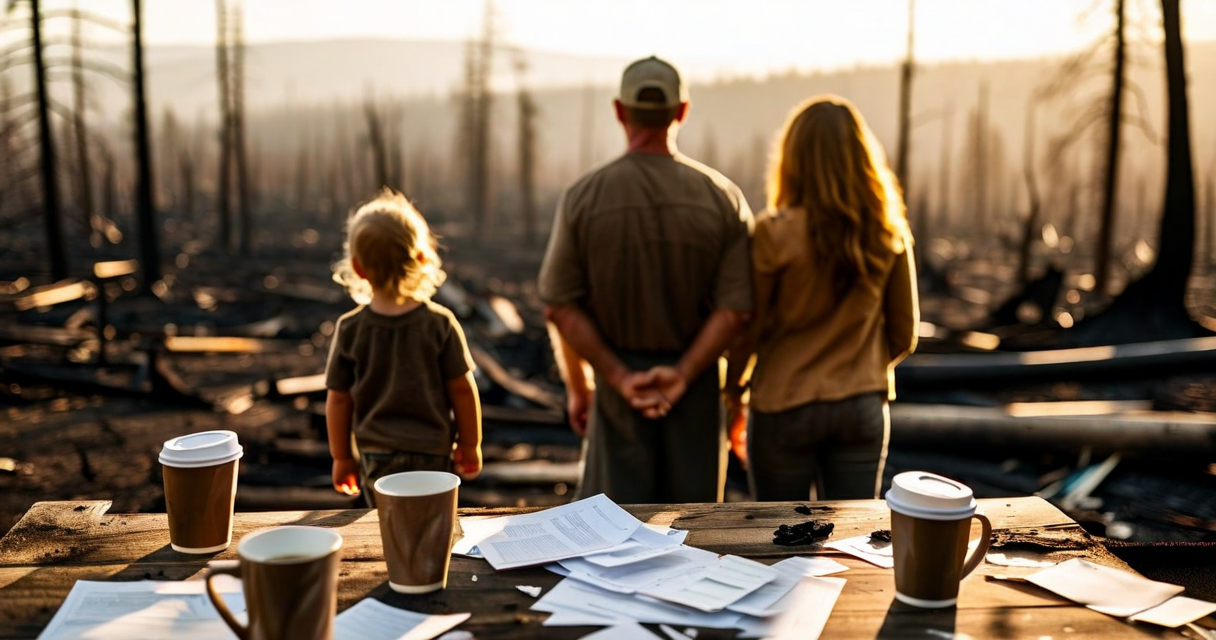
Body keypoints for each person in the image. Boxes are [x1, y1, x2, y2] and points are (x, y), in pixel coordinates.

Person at [539, 56, 753, 504]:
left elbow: (558, 306)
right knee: (692, 540)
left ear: (620, 111)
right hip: (694, 397)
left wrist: (607, 379)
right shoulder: (723, 199)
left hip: (618, 399)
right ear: (682, 111)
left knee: (607, 539)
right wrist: (683, 376)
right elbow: (735, 312)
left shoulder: (584, 197)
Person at [726, 95, 918, 502]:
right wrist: (857, 369)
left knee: (777, 538)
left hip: (782, 404)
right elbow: (905, 334)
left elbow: (748, 328)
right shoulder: (887, 231)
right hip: (861, 406)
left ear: (792, 158)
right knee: (853, 542)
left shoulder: (774, 232)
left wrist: (733, 391)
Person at [325, 189, 482, 507]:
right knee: (433, 520)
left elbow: (339, 400)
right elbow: (463, 390)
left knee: (387, 525)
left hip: (376, 455)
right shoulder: (440, 324)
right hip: (433, 451)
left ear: (358, 267)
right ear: (422, 258)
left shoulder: (350, 329)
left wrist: (343, 458)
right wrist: (469, 444)